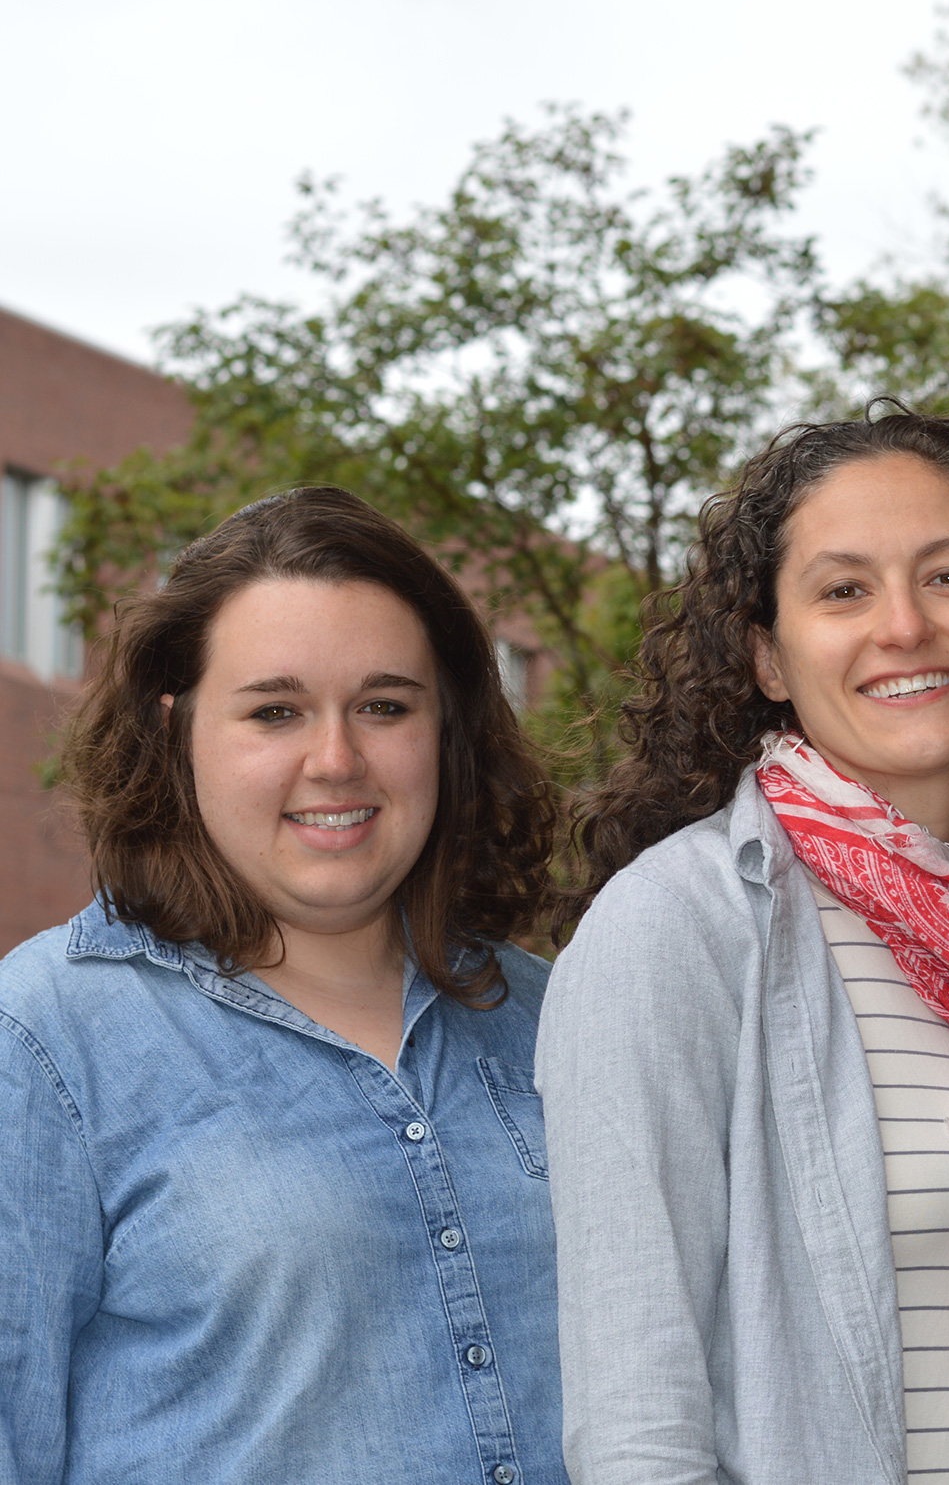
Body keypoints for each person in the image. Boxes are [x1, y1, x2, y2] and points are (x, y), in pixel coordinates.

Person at [539, 405, 949, 1485]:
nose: (903, 626)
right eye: (842, 591)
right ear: (768, 658)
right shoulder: (675, 929)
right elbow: (636, 1419)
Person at [0, 487, 564, 1485]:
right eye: (274, 711)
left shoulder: (552, 1018)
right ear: (178, 730)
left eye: (385, 706)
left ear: (448, 731)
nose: (337, 760)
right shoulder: (45, 1037)